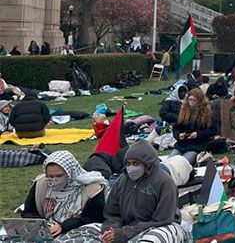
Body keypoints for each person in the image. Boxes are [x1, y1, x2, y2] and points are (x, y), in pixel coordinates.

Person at [59, 140, 187, 243]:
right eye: (128, 163)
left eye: (136, 164)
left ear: (148, 164)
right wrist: (110, 230)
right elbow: (112, 213)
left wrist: (122, 234)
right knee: (81, 232)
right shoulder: (122, 181)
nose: (131, 168)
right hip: (124, 227)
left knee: (153, 239)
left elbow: (162, 220)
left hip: (160, 228)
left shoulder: (164, 183)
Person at [21, 151, 107, 240]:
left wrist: (63, 226)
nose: (54, 180)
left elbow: (94, 218)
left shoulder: (92, 187)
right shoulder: (41, 184)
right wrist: (45, 225)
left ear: (71, 173)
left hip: (79, 229)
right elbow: (28, 211)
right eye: (50, 176)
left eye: (59, 176)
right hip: (47, 229)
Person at [169, 88, 215, 166]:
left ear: (199, 101)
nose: (191, 103)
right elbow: (176, 128)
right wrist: (179, 135)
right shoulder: (184, 110)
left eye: (194, 100)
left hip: (196, 146)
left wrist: (198, 134)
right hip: (181, 144)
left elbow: (212, 130)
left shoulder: (207, 113)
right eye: (190, 100)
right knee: (170, 162)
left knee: (184, 163)